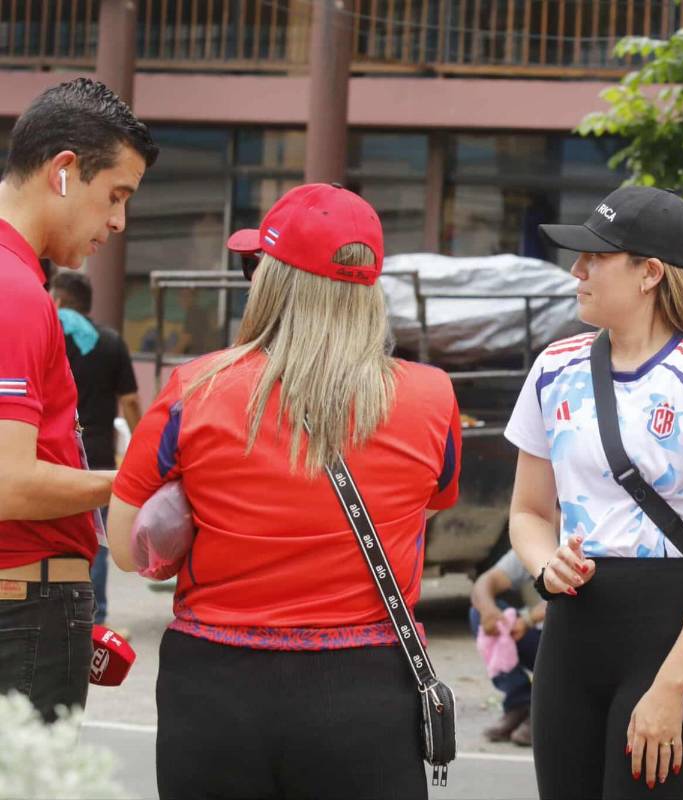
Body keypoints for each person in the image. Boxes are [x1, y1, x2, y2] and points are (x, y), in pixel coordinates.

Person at [104, 183, 462, 799]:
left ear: (274, 282)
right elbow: (433, 501)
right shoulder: (432, 397)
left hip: (214, 688)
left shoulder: (195, 389)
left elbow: (124, 549)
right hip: (366, 689)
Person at [506, 185, 683, 799]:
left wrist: (671, 688)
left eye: (596, 257)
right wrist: (547, 566)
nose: (577, 270)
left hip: (669, 635)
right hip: (571, 632)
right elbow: (529, 511)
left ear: (650, 273)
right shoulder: (553, 368)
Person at [0, 77, 156, 722]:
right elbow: (7, 483)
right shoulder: (14, 291)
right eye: (115, 195)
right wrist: (130, 483)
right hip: (24, 607)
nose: (118, 221)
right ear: (64, 171)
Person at [50, 270, 142, 627]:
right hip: (98, 455)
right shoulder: (111, 343)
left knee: (55, 534)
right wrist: (141, 446)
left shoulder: (48, 334)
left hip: (53, 455)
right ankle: (94, 619)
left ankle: (59, 612)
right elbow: (131, 401)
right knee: (97, 539)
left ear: (57, 300)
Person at [468, 548, 545, 746]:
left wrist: (527, 619)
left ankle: (545, 713)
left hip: (568, 640)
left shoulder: (581, 539)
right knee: (480, 616)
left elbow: (574, 598)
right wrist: (488, 610)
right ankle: (519, 704)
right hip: (536, 636)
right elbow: (485, 582)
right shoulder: (532, 538)